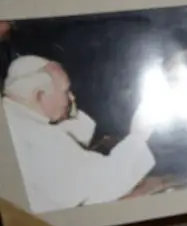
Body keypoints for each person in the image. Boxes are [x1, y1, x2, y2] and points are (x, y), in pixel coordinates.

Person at [2, 55, 156, 214]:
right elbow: (100, 183)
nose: (72, 97)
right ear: (40, 95)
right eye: (65, 91)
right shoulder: (35, 138)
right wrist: (139, 136)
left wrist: (67, 108)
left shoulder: (13, 116)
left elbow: (66, 137)